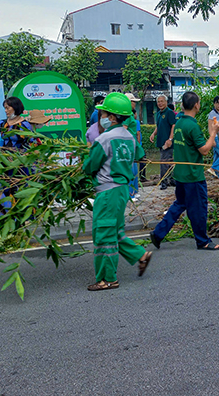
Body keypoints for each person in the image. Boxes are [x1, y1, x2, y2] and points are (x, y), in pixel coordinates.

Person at [83, 93, 152, 291]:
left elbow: (90, 167)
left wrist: (84, 165)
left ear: (112, 117)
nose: (100, 116)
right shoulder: (129, 137)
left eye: (103, 113)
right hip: (122, 191)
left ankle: (107, 279)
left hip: (107, 192)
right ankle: (140, 255)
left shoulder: (104, 139)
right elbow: (139, 154)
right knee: (116, 231)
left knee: (104, 235)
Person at [149, 91, 219, 251]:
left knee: (179, 204)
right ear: (196, 105)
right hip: (193, 176)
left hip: (181, 174)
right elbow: (204, 150)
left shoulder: (180, 122)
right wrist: (213, 133)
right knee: (199, 208)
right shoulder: (192, 126)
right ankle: (202, 240)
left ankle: (158, 233)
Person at [149, 94, 176, 190]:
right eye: (158, 102)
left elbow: (173, 125)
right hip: (161, 141)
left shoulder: (169, 112)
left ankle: (164, 181)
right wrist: (153, 134)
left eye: (161, 101)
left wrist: (170, 139)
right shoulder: (158, 114)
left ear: (166, 102)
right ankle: (171, 179)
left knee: (164, 161)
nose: (160, 103)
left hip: (167, 142)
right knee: (168, 161)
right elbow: (158, 126)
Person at [123, 93, 143, 201]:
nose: (134, 104)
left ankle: (134, 191)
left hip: (132, 144)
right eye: (133, 101)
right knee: (131, 170)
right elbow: (123, 130)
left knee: (135, 170)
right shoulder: (126, 115)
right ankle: (130, 194)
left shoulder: (130, 114)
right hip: (128, 145)